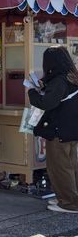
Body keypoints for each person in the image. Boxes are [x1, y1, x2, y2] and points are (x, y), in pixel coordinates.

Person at [28, 46, 78, 213]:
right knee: (72, 165)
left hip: (59, 130)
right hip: (72, 129)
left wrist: (32, 92)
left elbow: (46, 103)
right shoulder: (72, 77)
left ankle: (69, 203)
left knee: (59, 167)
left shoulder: (59, 81)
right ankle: (70, 198)